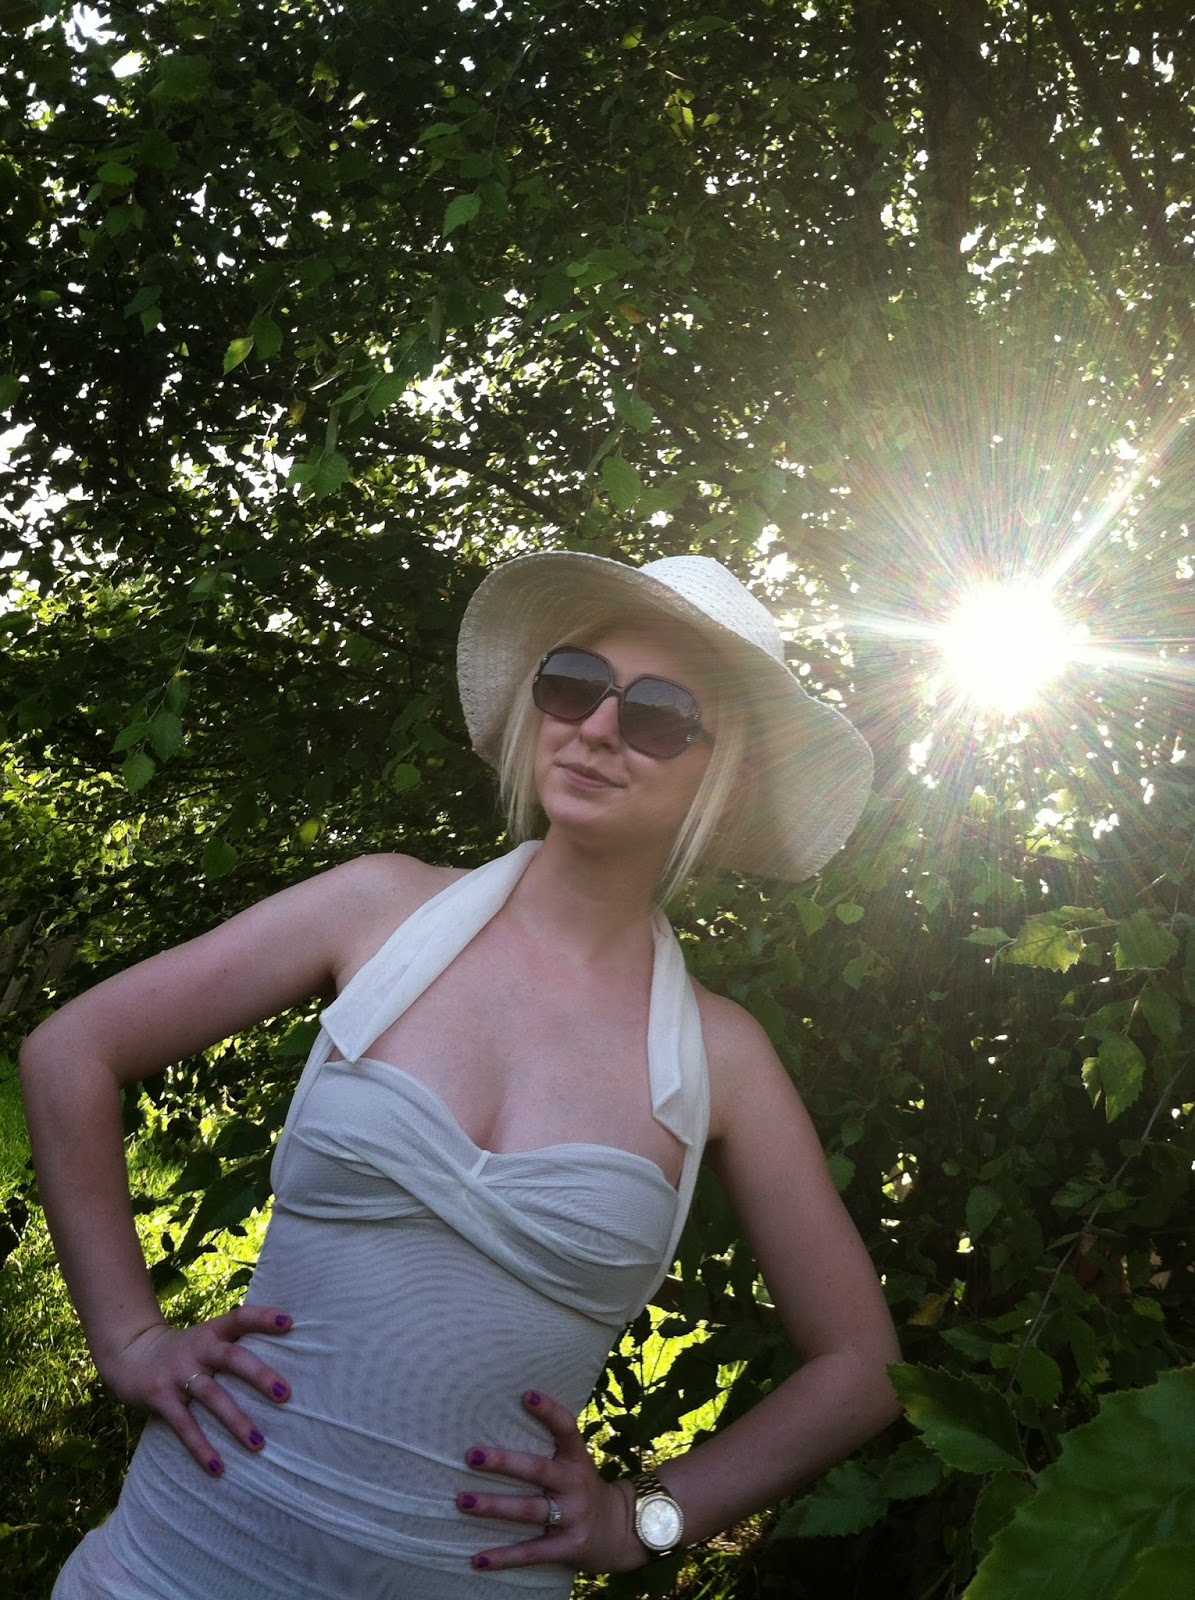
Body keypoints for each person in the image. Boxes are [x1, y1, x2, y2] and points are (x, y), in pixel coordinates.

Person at [21, 550, 901, 1599]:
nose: (598, 727)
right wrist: (128, 1337)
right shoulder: (378, 908)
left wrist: (642, 1516)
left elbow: (861, 1366)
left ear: (732, 775)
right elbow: (70, 1050)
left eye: (659, 715)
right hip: (168, 1571)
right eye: (574, 683)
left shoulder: (722, 1057)